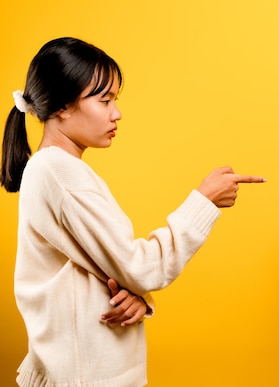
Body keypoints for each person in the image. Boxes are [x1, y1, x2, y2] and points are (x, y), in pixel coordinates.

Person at [1, 37, 265, 386]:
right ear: (63, 106)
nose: (117, 113)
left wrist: (138, 296)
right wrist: (203, 202)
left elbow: (106, 267)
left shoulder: (54, 169)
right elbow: (138, 267)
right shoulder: (59, 173)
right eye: (105, 100)